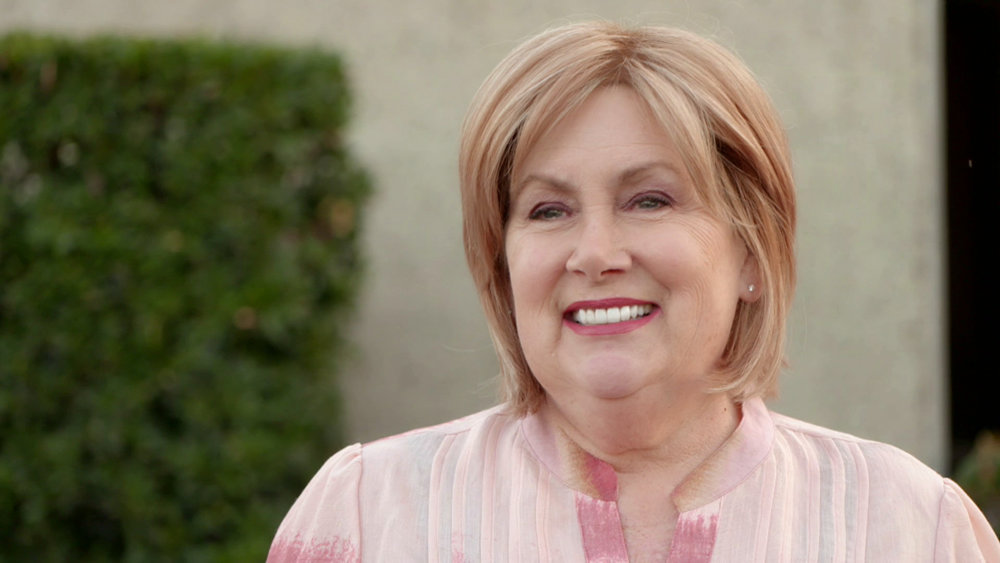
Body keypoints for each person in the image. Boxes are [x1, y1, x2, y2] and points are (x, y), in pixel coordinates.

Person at [268, 21, 1000, 562]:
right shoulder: (368, 514)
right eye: (548, 210)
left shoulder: (910, 527)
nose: (596, 253)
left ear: (752, 250)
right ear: (502, 263)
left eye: (649, 200)